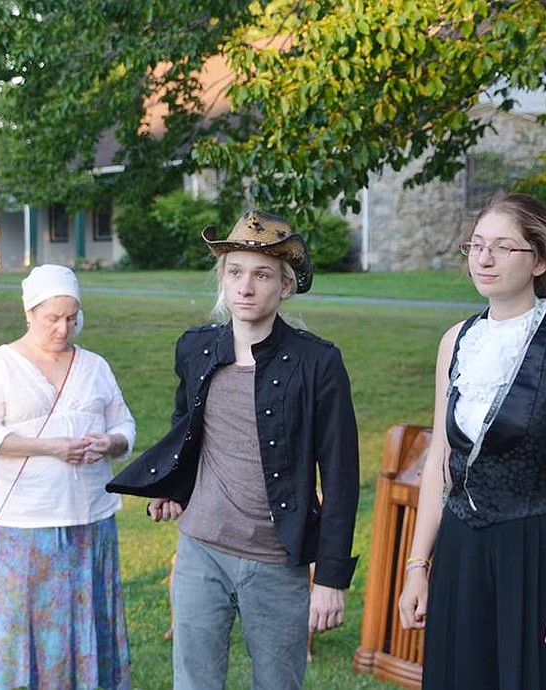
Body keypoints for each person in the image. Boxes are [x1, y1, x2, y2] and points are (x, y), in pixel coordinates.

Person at [107, 210, 360, 690]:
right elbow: (188, 426)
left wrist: (330, 578)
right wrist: (174, 485)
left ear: (284, 286)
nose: (245, 286)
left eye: (262, 275)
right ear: (222, 279)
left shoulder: (317, 363)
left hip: (276, 560)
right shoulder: (196, 348)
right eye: (235, 272)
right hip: (200, 549)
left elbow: (342, 476)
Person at [398, 193, 546, 688]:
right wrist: (418, 564)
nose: (483, 258)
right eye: (476, 245)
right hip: (463, 555)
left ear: (539, 260)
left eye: (503, 247)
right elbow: (442, 456)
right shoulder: (456, 340)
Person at [0, 264, 135, 690]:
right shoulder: (0, 364)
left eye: (72, 318)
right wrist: (51, 447)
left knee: (88, 616)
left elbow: (127, 428)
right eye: (52, 318)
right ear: (29, 313)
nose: (63, 328)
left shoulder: (96, 366)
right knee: (18, 627)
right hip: (28, 522)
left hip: (91, 518)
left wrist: (108, 443)